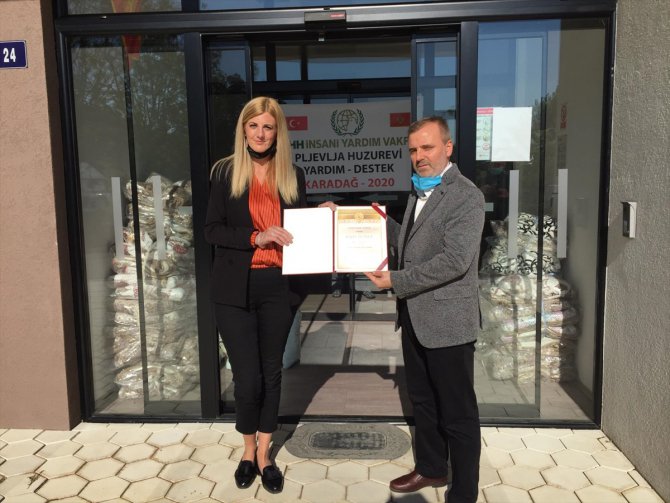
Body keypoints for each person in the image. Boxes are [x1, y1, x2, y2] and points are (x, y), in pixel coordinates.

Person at [365, 116, 484, 503]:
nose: (419, 156)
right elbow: (407, 242)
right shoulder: (420, 191)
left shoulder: (465, 196)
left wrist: (396, 281)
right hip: (415, 317)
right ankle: (432, 468)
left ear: (448, 148)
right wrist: (357, 219)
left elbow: (455, 261)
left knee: (458, 413)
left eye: (427, 147)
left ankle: (462, 493)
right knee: (424, 401)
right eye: (413, 149)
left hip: (448, 323)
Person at [204, 96, 307, 494]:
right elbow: (212, 230)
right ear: (243, 130)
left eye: (268, 126)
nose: (261, 134)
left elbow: (303, 225)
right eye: (254, 126)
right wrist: (256, 236)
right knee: (247, 378)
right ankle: (247, 450)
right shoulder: (225, 172)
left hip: (277, 286)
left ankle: (265, 454)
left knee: (271, 372)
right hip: (234, 289)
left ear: (277, 132)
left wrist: (327, 214)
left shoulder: (292, 174)